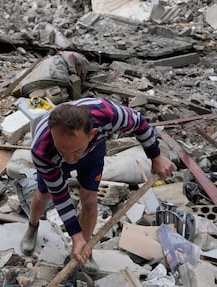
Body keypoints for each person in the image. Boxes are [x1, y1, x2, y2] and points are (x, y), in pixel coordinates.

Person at [20, 97, 176, 268]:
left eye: (75, 151)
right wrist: (75, 234)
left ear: (92, 133)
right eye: (63, 149)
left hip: (92, 152)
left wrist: (156, 156)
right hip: (54, 159)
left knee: (89, 200)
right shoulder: (42, 150)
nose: (70, 159)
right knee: (44, 194)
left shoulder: (108, 114)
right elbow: (61, 196)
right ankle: (32, 226)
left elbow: (139, 121)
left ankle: (83, 250)